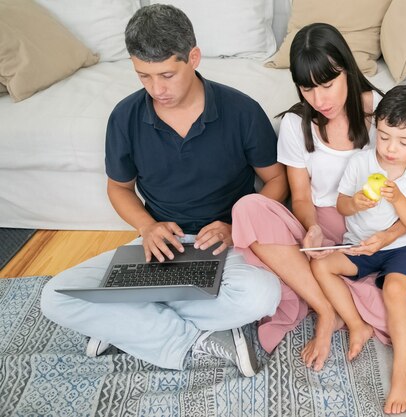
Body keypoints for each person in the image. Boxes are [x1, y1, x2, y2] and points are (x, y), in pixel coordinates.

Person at [39, 4, 288, 377]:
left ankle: (124, 323)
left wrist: (233, 227)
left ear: (193, 57)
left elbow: (277, 180)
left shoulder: (241, 111)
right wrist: (146, 226)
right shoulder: (125, 117)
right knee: (54, 297)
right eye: (144, 76)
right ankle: (198, 341)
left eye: (167, 75)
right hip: (158, 248)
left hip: (225, 246)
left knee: (264, 295)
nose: (157, 89)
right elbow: (119, 188)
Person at [232, 22, 406, 380]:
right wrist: (312, 229)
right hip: (323, 231)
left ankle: (329, 291)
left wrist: (387, 238)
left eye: (328, 83)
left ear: (346, 70)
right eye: (308, 88)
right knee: (248, 210)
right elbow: (300, 196)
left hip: (375, 238)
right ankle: (329, 311)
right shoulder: (295, 123)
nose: (320, 99)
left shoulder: (383, 115)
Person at [310, 84, 406, 415]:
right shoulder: (361, 162)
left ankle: (401, 371)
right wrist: (356, 202)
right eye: (384, 136)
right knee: (321, 266)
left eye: (404, 142)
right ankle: (356, 324)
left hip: (402, 247)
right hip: (361, 244)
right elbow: (341, 205)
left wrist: (399, 200)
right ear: (375, 127)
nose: (391, 148)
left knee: (395, 290)